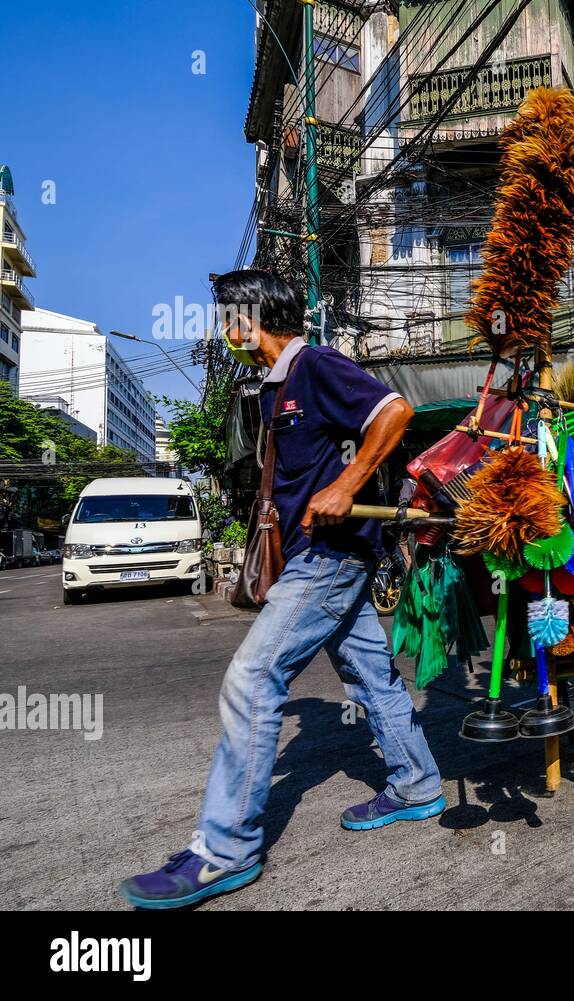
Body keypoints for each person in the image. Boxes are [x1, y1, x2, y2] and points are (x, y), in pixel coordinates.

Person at [121, 270, 444, 909]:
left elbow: (394, 412)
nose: (220, 331)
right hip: (323, 555)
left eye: (224, 318)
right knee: (371, 678)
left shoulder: (316, 366)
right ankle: (417, 783)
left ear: (250, 318)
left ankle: (225, 850)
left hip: (328, 560)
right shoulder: (274, 390)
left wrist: (348, 483)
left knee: (252, 680)